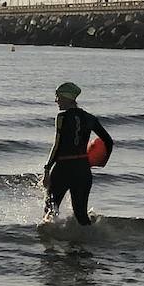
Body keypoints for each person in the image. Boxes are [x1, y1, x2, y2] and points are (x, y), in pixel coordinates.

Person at [43, 81, 112, 226]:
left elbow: (57, 145)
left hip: (63, 168)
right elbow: (108, 141)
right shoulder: (90, 118)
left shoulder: (62, 117)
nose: (56, 100)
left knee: (50, 210)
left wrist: (47, 169)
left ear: (67, 97)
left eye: (58, 96)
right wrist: (101, 161)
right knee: (81, 215)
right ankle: (86, 244)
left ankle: (49, 246)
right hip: (83, 169)